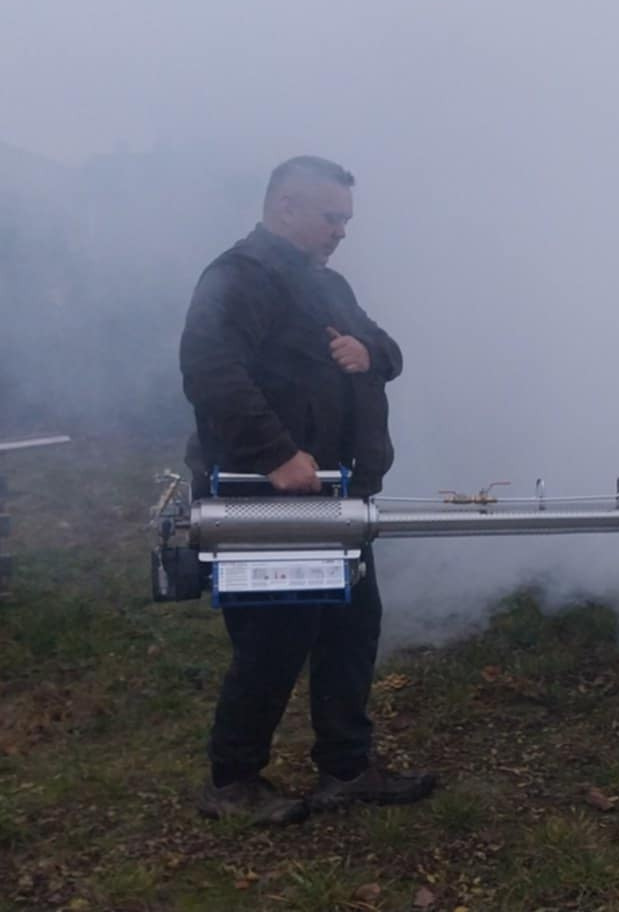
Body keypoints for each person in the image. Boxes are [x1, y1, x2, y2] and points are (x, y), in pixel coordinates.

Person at [179, 155, 437, 825]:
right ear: (285, 207)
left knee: (351, 628)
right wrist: (278, 455)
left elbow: (389, 349)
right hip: (267, 495)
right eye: (331, 217)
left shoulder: (328, 286)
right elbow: (211, 373)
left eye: (346, 219)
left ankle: (347, 769)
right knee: (275, 638)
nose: (341, 231)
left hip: (337, 497)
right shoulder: (238, 278)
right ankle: (232, 782)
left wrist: (367, 353)